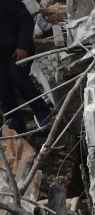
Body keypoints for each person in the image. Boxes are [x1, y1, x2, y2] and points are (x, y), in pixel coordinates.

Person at [0, 0, 51, 133]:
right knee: (3, 88)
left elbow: (26, 21)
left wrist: (22, 45)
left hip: (18, 49)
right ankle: (16, 127)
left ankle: (44, 114)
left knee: (16, 76)